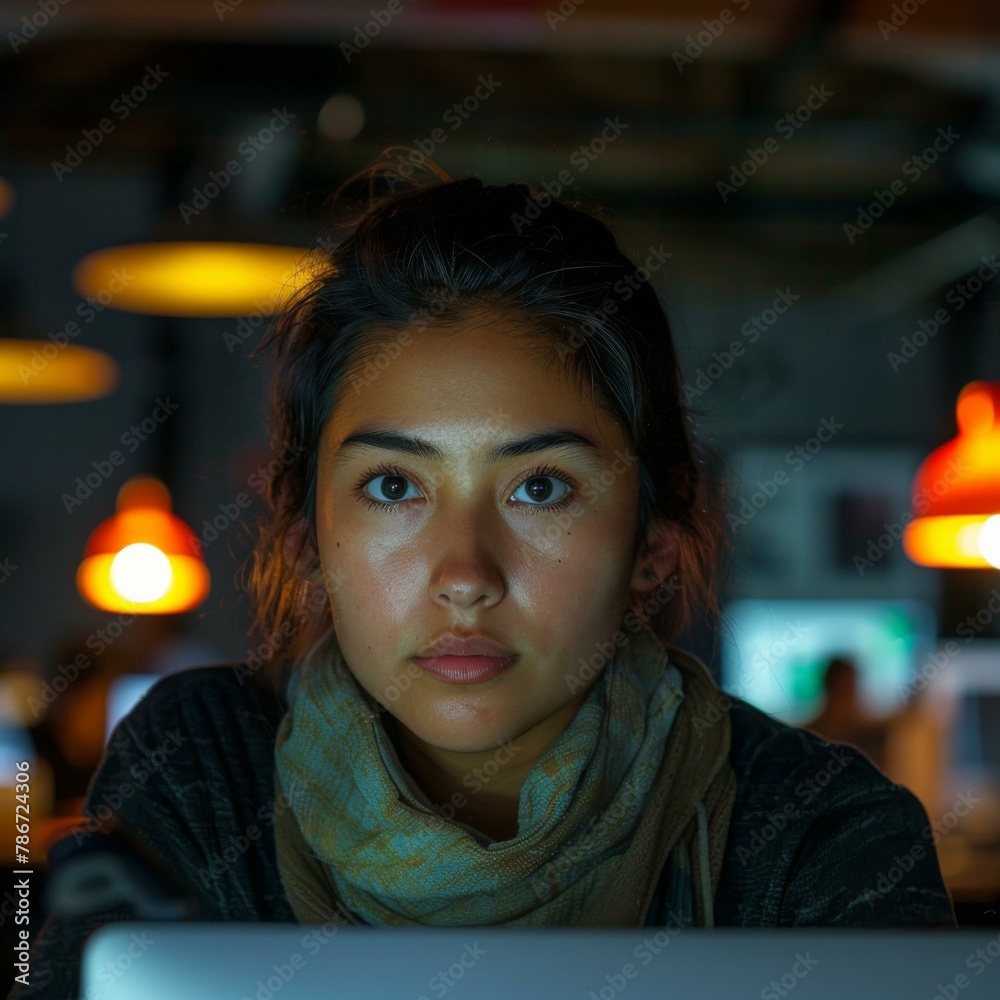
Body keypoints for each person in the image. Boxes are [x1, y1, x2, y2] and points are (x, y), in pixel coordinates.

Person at [10, 152, 956, 1000]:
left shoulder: (815, 835)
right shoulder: (205, 766)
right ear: (305, 537)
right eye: (393, 486)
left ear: (653, 547)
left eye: (541, 488)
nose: (465, 576)